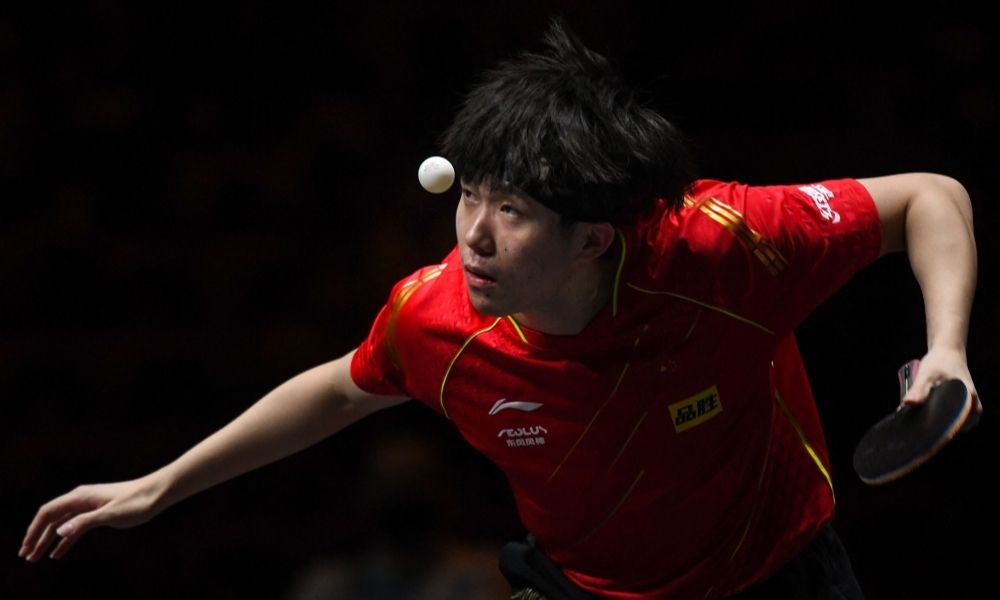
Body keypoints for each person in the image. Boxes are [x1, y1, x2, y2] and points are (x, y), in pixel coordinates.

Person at [20, 19, 979, 600]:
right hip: (580, 590)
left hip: (777, 576)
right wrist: (161, 485)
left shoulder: (722, 248)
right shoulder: (439, 317)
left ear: (593, 237)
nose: (472, 235)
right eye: (469, 194)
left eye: (511, 211)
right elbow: (342, 389)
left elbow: (928, 198)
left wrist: (944, 352)